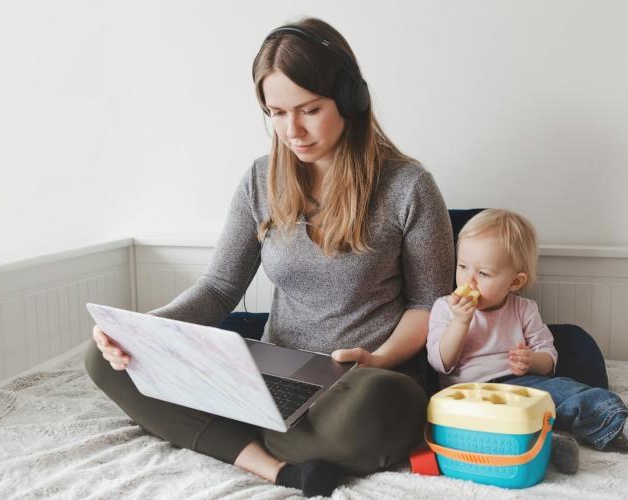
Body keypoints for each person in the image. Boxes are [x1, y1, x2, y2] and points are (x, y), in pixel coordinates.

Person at [86, 17, 454, 497]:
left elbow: (430, 304)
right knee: (102, 357)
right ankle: (276, 465)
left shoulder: (409, 186)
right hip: (270, 377)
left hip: (360, 384)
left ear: (350, 99)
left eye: (309, 109)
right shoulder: (260, 180)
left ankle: (227, 436)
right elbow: (219, 288)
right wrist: (143, 331)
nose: (291, 130)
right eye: (276, 113)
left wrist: (379, 359)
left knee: (386, 402)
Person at [426, 209, 628, 461]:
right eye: (462, 267)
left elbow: (549, 358)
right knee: (483, 425)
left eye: (483, 274)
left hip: (520, 387)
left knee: (569, 392)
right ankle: (549, 447)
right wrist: (460, 322)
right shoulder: (446, 308)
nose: (468, 280)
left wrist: (532, 360)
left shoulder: (524, 310)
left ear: (514, 282)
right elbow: (441, 362)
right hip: (466, 395)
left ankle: (620, 429)